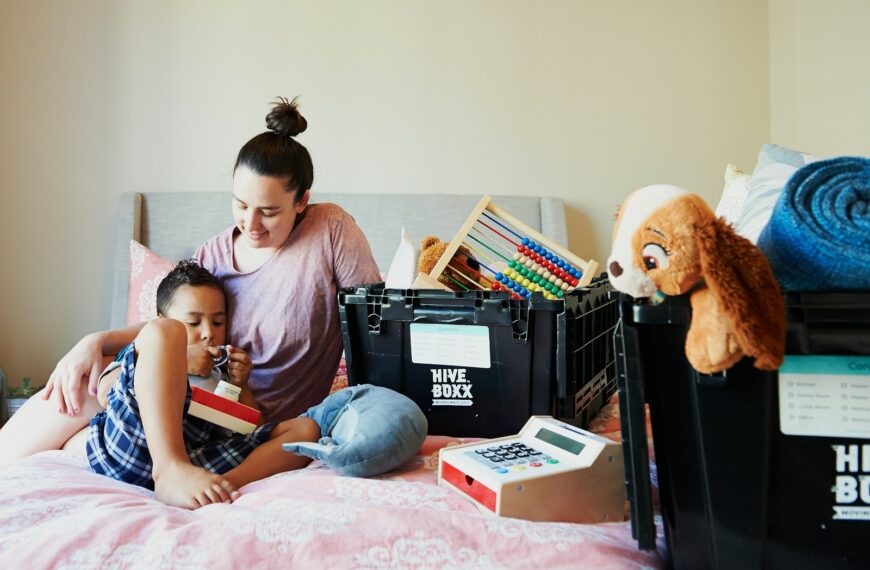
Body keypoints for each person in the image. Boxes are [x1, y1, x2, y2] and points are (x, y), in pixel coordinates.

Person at [0, 96, 381, 462]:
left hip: (254, 419)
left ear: (301, 202)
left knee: (101, 403)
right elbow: (167, 328)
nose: (251, 224)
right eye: (241, 204)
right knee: (95, 374)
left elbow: (376, 327)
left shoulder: (329, 230)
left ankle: (80, 446)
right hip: (194, 399)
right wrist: (93, 341)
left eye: (268, 211)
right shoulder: (212, 254)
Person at [89, 260, 320, 508]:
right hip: (133, 445)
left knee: (306, 430)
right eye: (193, 323)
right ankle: (169, 469)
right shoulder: (147, 346)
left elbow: (251, 428)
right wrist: (182, 359)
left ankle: (217, 486)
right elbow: (105, 393)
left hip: (196, 459)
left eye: (218, 323)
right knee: (165, 332)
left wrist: (241, 386)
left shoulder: (223, 369)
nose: (209, 332)